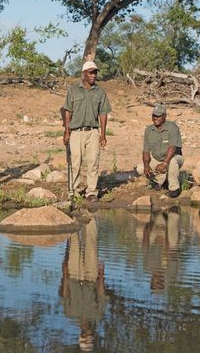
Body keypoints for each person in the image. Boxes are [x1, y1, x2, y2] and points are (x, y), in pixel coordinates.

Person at [62, 60, 112, 202]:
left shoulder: (100, 92)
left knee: (93, 161)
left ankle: (91, 192)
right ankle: (73, 191)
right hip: (76, 132)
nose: (93, 75)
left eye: (95, 72)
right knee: (75, 161)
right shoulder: (73, 90)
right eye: (90, 72)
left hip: (93, 131)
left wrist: (103, 134)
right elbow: (67, 111)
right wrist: (67, 131)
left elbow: (103, 113)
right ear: (83, 74)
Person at [60, 219, 107, 351]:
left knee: (74, 243)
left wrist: (64, 274)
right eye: (89, 336)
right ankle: (90, 216)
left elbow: (65, 293)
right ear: (92, 335)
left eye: (85, 336)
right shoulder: (97, 315)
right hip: (91, 276)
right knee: (91, 244)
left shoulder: (69, 313)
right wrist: (101, 275)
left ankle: (75, 216)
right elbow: (101, 294)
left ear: (81, 335)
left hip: (73, 275)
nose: (87, 333)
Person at [142, 104, 184, 198]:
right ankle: (161, 180)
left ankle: (174, 188)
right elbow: (146, 151)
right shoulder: (148, 130)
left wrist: (164, 164)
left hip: (174, 158)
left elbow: (172, 147)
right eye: (154, 115)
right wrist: (146, 165)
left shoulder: (172, 127)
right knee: (140, 168)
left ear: (165, 116)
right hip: (158, 159)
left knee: (172, 162)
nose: (155, 118)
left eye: (158, 116)